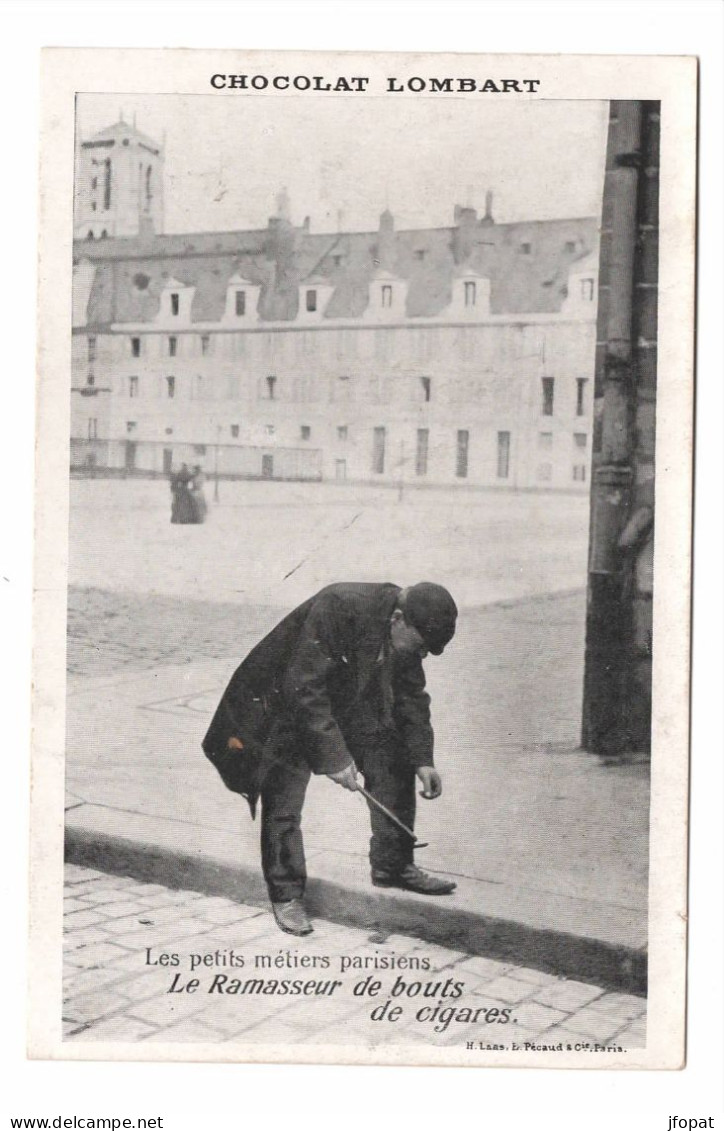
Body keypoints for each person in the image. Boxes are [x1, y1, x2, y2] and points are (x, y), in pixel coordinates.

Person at [202, 581, 459, 936]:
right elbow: (304, 688)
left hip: (341, 699)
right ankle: (286, 894)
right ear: (398, 619)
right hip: (285, 703)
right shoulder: (340, 606)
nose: (422, 657)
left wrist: (422, 759)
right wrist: (336, 758)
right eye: (420, 647)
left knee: (393, 757)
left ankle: (393, 865)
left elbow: (411, 696)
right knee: (285, 796)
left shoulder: (405, 628)